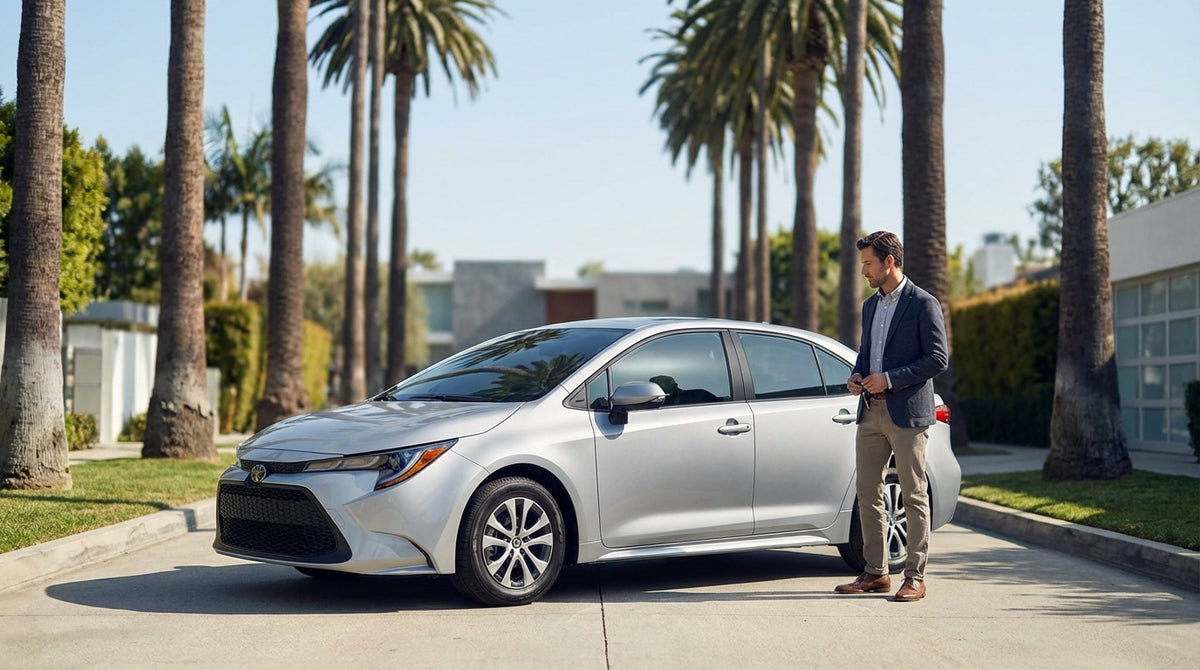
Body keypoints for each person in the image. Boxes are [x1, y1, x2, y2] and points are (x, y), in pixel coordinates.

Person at [835, 230, 948, 602]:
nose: (863, 271)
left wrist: (889, 379)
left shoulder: (923, 303)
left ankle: (915, 576)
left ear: (889, 261)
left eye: (868, 263)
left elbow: (937, 359)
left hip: (907, 413)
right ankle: (875, 572)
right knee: (868, 492)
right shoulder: (870, 306)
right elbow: (867, 353)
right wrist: (858, 373)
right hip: (869, 411)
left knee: (914, 494)